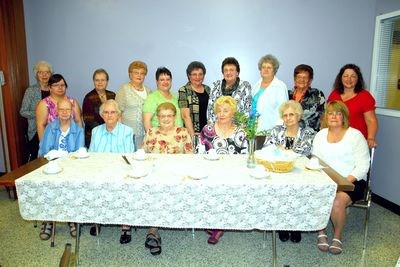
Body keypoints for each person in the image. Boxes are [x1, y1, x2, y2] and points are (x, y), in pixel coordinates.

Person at [313, 101, 370, 255]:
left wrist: (343, 182)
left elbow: (363, 165)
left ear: (344, 117)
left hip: (352, 181)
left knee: (337, 201)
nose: (334, 117)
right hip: (326, 179)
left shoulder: (355, 135)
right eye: (331, 113)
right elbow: (315, 160)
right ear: (326, 117)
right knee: (316, 195)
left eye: (338, 113)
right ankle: (321, 231)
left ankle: (337, 236)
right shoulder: (320, 135)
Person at [142, 102, 193, 255]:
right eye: (162, 116)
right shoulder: (151, 132)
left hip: (177, 176)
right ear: (157, 117)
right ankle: (153, 230)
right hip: (155, 175)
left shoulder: (183, 132)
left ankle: (153, 230)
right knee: (156, 190)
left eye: (169, 115)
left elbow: (191, 158)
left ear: (174, 116)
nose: (165, 119)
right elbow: (142, 155)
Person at [263, 100, 315, 243]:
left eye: (291, 114)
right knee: (279, 190)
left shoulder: (307, 132)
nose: (288, 118)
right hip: (277, 170)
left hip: (299, 171)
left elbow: (306, 150)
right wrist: (282, 151)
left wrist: (283, 150)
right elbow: (267, 148)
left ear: (298, 116)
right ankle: (282, 225)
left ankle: (296, 226)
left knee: (298, 190)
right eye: (285, 115)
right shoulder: (276, 130)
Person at [200, 96, 248, 245]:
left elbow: (245, 156)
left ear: (232, 113)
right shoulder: (207, 129)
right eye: (219, 110)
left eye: (225, 111)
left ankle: (218, 226)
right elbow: (199, 153)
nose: (221, 114)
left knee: (224, 187)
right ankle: (213, 220)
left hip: (232, 174)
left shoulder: (240, 132)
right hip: (210, 171)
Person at [89, 99, 135, 243]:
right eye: (106, 112)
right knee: (94, 185)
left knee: (124, 188)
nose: (109, 115)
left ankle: (125, 225)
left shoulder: (127, 131)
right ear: (102, 115)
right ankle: (98, 220)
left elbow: (128, 155)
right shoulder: (96, 131)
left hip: (120, 171)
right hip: (100, 170)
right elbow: (91, 155)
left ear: (118, 114)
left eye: (113, 112)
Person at [38, 98, 84, 241]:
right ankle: (48, 220)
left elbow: (79, 152)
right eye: (61, 109)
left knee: (71, 185)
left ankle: (71, 218)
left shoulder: (78, 130)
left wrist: (66, 160)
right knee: (47, 185)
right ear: (56, 111)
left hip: (71, 167)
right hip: (51, 165)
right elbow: (44, 150)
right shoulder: (50, 128)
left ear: (72, 111)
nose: (64, 112)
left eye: (68, 109)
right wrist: (53, 160)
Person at [327, 64, 378, 148]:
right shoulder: (334, 94)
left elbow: (371, 120)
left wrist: (371, 138)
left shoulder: (365, 96)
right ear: (341, 78)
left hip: (356, 141)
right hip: (335, 140)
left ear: (358, 79)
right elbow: (327, 115)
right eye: (345, 76)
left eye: (353, 76)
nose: (349, 79)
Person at [20, 60, 53, 161]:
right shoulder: (31, 90)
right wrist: (40, 114)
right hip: (36, 131)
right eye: (40, 72)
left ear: (51, 74)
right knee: (38, 160)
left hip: (54, 130)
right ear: (36, 75)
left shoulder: (54, 88)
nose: (44, 75)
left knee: (53, 157)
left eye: (47, 72)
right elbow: (23, 111)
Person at [36, 74, 82, 142]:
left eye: (62, 85)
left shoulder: (73, 102)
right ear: (49, 88)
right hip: (51, 144)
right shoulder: (44, 104)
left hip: (72, 142)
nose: (60, 87)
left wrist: (80, 141)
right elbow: (40, 126)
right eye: (56, 85)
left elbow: (78, 121)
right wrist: (44, 147)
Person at [115, 61, 151, 148]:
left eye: (142, 73)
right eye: (136, 73)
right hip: (128, 135)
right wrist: (121, 133)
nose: (139, 75)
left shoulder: (148, 90)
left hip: (145, 135)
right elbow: (117, 113)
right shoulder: (123, 89)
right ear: (130, 74)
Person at [207, 57, 252, 123]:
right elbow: (210, 110)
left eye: (231, 70)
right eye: (226, 70)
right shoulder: (215, 85)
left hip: (237, 129)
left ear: (237, 73)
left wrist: (239, 130)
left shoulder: (245, 86)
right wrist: (213, 129)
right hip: (217, 128)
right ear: (223, 73)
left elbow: (248, 110)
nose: (228, 73)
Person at [251, 54, 288, 132]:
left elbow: (283, 111)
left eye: (269, 67)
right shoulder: (256, 85)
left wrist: (277, 132)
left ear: (274, 70)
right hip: (253, 128)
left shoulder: (280, 86)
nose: (265, 70)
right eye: (263, 67)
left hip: (271, 130)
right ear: (260, 70)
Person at [82, 68, 116, 147]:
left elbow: (117, 114)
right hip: (94, 135)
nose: (100, 82)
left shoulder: (112, 95)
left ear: (107, 81)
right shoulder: (88, 97)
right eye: (97, 80)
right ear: (93, 81)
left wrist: (112, 129)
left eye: (103, 80)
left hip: (112, 133)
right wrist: (105, 130)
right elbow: (88, 120)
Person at [143, 67, 183, 132]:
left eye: (168, 79)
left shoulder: (176, 97)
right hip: (160, 139)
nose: (165, 82)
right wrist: (153, 138)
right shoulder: (152, 98)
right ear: (157, 82)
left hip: (177, 138)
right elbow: (146, 121)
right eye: (162, 80)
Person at [289, 64, 325, 132]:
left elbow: (324, 117)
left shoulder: (317, 94)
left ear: (310, 80)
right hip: (290, 134)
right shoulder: (287, 94)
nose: (302, 80)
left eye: (305, 77)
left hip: (311, 135)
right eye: (299, 77)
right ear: (295, 79)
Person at [178, 61, 210, 137]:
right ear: (189, 76)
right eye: (194, 74)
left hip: (208, 131)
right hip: (193, 133)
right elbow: (185, 116)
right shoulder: (184, 90)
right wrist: (193, 136)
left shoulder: (208, 89)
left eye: (200, 74)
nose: (197, 77)